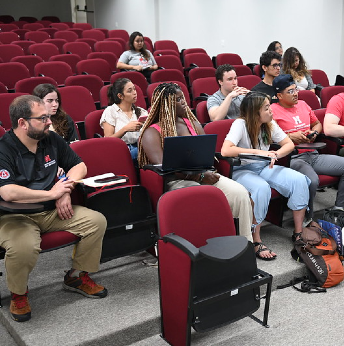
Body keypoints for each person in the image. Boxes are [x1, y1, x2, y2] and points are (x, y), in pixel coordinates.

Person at [0, 95, 108, 323]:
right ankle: (19, 294)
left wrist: (66, 191)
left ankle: (76, 276)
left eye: (48, 117)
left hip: (52, 211)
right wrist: (52, 193)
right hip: (15, 216)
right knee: (23, 247)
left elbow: (80, 165)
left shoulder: (51, 139)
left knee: (96, 221)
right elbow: (8, 192)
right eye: (42, 118)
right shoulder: (4, 149)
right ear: (22, 123)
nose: (49, 122)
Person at [138, 83, 254, 243]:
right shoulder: (152, 132)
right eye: (178, 100)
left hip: (204, 174)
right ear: (167, 105)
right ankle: (209, 243)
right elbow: (165, 168)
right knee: (204, 197)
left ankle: (245, 243)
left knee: (239, 193)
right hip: (176, 181)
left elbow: (207, 155)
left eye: (183, 98)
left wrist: (203, 174)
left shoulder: (192, 124)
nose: (184, 102)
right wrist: (198, 178)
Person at [221, 91, 311, 260]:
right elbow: (226, 150)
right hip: (243, 170)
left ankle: (298, 233)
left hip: (264, 166)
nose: (271, 111)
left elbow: (289, 144)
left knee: (298, 180)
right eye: (267, 108)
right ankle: (256, 240)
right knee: (261, 188)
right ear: (256, 112)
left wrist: (275, 154)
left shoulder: (269, 123)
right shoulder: (240, 124)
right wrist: (258, 152)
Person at [271, 74, 344, 220]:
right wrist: (289, 137)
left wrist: (314, 132)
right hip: (292, 157)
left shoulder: (303, 104)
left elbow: (317, 124)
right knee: (311, 180)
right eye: (290, 91)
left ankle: (341, 210)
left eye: (295, 89)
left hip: (313, 153)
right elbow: (267, 137)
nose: (295, 94)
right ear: (279, 95)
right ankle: (306, 219)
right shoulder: (272, 110)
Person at [100, 78, 147, 161]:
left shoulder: (141, 111)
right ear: (120, 96)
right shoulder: (110, 111)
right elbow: (108, 141)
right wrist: (125, 129)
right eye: (130, 91)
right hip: (122, 149)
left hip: (141, 146)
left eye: (134, 89)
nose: (134, 93)